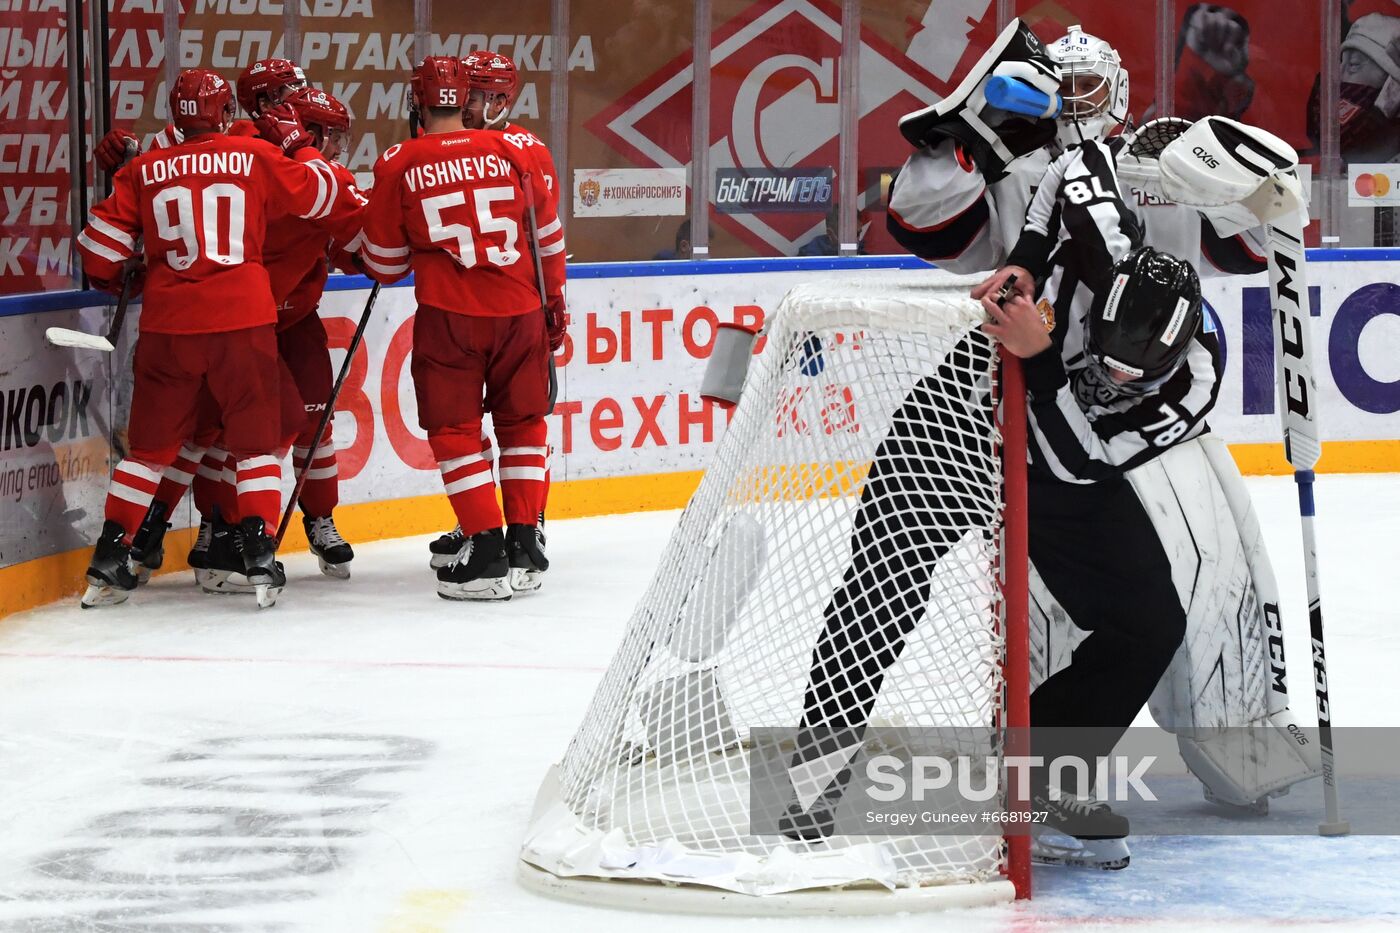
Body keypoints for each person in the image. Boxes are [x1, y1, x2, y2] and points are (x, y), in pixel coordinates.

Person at [798, 17, 1318, 862]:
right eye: (1060, 90)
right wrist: (961, 140)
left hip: (1070, 445)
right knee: (885, 584)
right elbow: (966, 219)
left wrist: (1270, 196)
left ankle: (1059, 772)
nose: (1074, 106)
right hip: (964, 412)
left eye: (1089, 90)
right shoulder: (1063, 175)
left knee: (1154, 614)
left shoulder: (1186, 376)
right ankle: (815, 766)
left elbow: (1084, 441)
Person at [75, 68, 352, 609]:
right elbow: (328, 195)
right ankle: (257, 553)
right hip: (244, 321)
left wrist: (130, 268)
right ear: (229, 113)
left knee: (149, 451)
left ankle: (111, 555)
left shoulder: (146, 166)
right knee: (255, 443)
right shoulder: (255, 155)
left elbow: (98, 256)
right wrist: (300, 148)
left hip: (168, 325)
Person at [360, 56, 566, 600]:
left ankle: (486, 548)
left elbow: (383, 263)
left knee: (454, 432)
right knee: (523, 422)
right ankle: (525, 542)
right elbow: (548, 238)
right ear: (463, 98)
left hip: (452, 317)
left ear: (416, 101)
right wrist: (554, 302)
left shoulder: (400, 160)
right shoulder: (520, 151)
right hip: (521, 308)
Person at [422, 51, 562, 593]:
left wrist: (552, 304)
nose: (465, 103)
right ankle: (487, 526)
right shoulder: (495, 149)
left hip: (508, 304)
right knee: (498, 423)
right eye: (464, 92)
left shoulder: (520, 150)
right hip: (510, 305)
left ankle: (526, 528)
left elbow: (545, 234)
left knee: (516, 420)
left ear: (503, 100)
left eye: (477, 94)